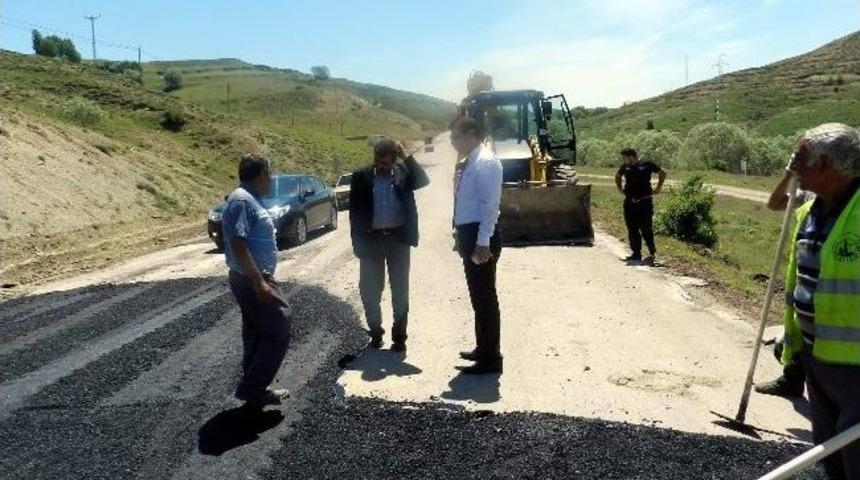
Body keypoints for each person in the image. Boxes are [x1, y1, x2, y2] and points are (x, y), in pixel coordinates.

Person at [780, 123, 860, 479]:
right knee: (830, 451)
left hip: (855, 366)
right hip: (817, 356)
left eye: (799, 158)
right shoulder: (812, 209)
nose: (793, 166)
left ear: (825, 164)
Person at [222, 154, 291, 408]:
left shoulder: (249, 199)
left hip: (251, 277)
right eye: (269, 175)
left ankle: (255, 389)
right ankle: (253, 387)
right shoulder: (242, 200)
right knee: (279, 325)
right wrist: (258, 281)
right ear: (261, 175)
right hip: (252, 278)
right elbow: (238, 242)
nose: (271, 180)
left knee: (256, 331)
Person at [349, 138, 430, 351]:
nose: (380, 166)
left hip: (398, 241)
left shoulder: (403, 174)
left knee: (400, 290)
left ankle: (399, 337)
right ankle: (375, 333)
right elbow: (354, 214)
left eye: (385, 162)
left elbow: (423, 181)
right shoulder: (361, 177)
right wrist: (358, 245)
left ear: (394, 159)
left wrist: (406, 156)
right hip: (371, 242)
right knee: (369, 291)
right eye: (377, 160)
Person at [755, 167, 815, 398]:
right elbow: (775, 203)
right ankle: (791, 381)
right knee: (798, 329)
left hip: (834, 272)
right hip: (806, 270)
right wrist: (790, 174)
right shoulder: (809, 194)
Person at [451, 117, 504, 374]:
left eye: (455, 137)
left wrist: (482, 243)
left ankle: (491, 358)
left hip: (481, 237)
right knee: (478, 298)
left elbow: (489, 206)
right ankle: (483, 348)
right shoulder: (470, 161)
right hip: (470, 234)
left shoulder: (485, 161)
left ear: (470, 133)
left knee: (485, 297)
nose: (452, 142)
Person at [615, 148, 667, 265]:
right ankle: (636, 254)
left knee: (646, 228)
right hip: (629, 202)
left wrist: (658, 187)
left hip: (645, 202)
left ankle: (652, 253)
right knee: (632, 229)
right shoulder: (625, 167)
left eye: (625, 157)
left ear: (631, 156)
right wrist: (620, 188)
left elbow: (662, 173)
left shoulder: (647, 165)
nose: (624, 160)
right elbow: (617, 176)